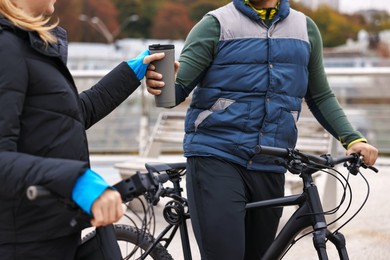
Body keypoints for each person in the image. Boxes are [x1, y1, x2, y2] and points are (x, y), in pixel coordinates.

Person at [146, 0, 379, 259]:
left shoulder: (305, 29)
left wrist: (352, 138)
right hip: (217, 157)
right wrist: (160, 83)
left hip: (272, 161)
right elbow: (175, 91)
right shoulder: (216, 25)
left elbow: (320, 95)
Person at [0, 0, 165, 259]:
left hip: (53, 230)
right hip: (24, 241)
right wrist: (75, 180)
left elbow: (72, 117)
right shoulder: (6, 48)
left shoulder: (25, 45)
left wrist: (133, 70)